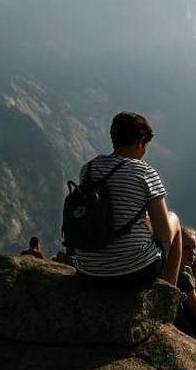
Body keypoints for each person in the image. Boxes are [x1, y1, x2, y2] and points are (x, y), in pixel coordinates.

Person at [73, 111, 183, 289]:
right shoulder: (145, 172)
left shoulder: (89, 169)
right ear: (140, 142)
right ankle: (169, 294)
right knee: (174, 220)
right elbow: (164, 234)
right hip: (133, 272)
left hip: (88, 271)